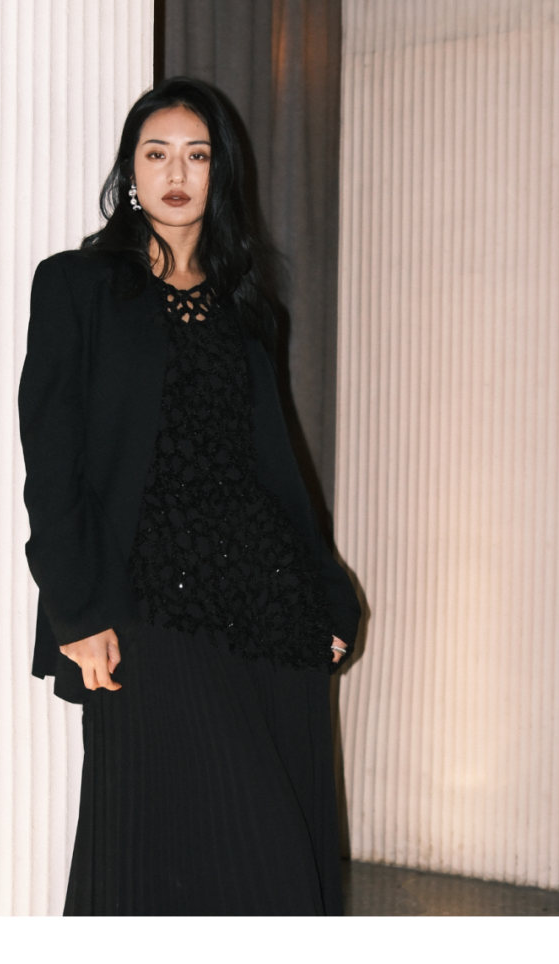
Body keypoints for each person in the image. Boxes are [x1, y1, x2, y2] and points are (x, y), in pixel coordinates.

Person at [18, 77, 361, 916]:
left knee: (288, 852)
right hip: (145, 608)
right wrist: (76, 612)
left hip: (268, 602)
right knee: (173, 847)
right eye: (157, 153)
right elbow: (52, 461)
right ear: (130, 172)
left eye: (197, 155)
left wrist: (327, 594)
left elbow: (275, 467)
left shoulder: (250, 308)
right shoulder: (77, 285)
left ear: (221, 171)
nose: (176, 173)